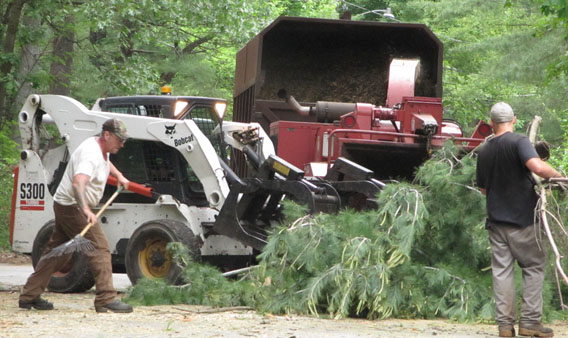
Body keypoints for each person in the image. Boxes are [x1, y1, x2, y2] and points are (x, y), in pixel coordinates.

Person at [19, 118, 133, 313]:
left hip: (64, 205)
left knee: (58, 252)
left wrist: (119, 175)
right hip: (73, 207)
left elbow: (104, 164)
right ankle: (106, 298)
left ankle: (29, 295)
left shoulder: (100, 148)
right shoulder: (90, 154)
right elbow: (78, 183)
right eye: (119, 140)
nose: (122, 144)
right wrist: (87, 210)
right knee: (100, 248)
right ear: (107, 135)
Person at [476, 102, 562, 337]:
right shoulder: (519, 141)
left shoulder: (484, 149)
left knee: (502, 272)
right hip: (523, 220)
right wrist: (559, 176)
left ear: (491, 123)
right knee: (533, 266)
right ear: (513, 120)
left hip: (495, 222)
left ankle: (505, 327)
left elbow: (484, 189)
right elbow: (536, 166)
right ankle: (530, 322)